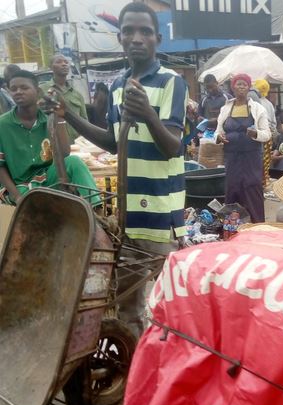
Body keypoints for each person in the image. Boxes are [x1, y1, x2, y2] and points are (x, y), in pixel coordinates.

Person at [54, 2, 188, 338]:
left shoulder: (172, 81)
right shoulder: (117, 86)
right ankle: (134, 370)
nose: (136, 38)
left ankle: (169, 367)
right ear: (120, 38)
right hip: (130, 216)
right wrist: (69, 115)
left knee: (170, 303)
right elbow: (113, 142)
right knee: (129, 303)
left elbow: (173, 145)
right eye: (129, 31)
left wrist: (148, 114)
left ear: (158, 38)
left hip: (161, 214)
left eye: (145, 31)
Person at [0, 70, 99, 206]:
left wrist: (58, 118)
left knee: (74, 162)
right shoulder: (2, 124)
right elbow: (0, 166)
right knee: (36, 208)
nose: (18, 92)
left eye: (24, 88)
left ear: (37, 91)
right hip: (21, 186)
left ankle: (97, 211)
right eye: (13, 89)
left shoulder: (49, 117)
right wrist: (16, 196)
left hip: (50, 177)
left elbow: (65, 152)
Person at [215, 74, 271, 223]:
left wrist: (256, 133)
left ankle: (257, 223)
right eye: (238, 84)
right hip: (231, 156)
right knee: (232, 186)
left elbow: (267, 134)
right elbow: (218, 130)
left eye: (244, 84)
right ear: (233, 87)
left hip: (251, 157)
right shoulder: (225, 108)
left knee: (252, 186)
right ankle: (231, 224)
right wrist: (218, 137)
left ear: (248, 88)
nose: (241, 87)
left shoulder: (258, 108)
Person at [40, 54, 88, 142]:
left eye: (66, 62)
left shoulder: (77, 95)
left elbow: (84, 121)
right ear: (51, 67)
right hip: (51, 143)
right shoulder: (42, 90)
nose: (64, 64)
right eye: (59, 62)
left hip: (75, 145)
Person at [252, 79, 277, 186]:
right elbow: (274, 122)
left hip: (256, 134)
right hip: (268, 134)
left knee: (258, 158)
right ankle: (264, 181)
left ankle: (258, 181)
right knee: (266, 158)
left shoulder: (254, 102)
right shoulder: (269, 104)